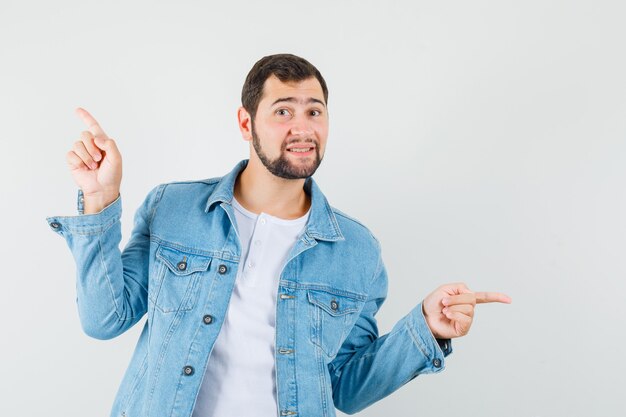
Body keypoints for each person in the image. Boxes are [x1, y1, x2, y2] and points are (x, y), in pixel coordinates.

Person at [46, 53, 511, 417]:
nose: (302, 127)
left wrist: (424, 329)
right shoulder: (174, 208)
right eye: (283, 110)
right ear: (246, 123)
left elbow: (346, 388)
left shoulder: (357, 250)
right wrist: (99, 198)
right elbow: (104, 318)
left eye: (315, 111)